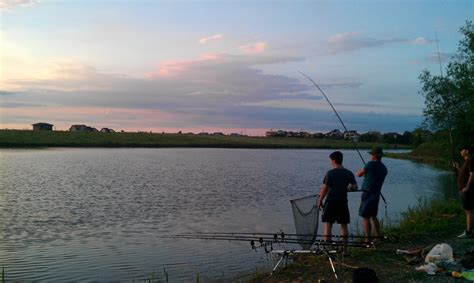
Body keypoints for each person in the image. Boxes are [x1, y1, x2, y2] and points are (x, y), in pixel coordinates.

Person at [318, 151, 358, 241]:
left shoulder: (330, 173)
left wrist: (320, 200)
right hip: (343, 202)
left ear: (334, 160)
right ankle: (345, 250)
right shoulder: (349, 173)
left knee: (328, 225)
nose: (331, 162)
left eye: (331, 160)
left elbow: (324, 189)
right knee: (344, 226)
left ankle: (328, 249)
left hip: (330, 202)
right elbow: (355, 187)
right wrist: (347, 189)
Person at [356, 147, 387, 242]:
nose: (370, 156)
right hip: (376, 194)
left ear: (373, 156)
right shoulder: (383, 167)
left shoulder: (370, 165)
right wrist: (368, 174)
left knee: (365, 217)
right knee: (373, 216)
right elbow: (374, 176)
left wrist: (365, 172)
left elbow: (358, 174)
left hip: (367, 194)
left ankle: (367, 241)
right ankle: (378, 237)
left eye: (371, 155)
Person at [454, 145, 474, 239]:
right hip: (463, 189)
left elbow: (472, 174)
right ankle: (469, 231)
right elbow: (464, 174)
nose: (460, 152)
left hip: (466, 190)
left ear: (467, 151)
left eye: (462, 150)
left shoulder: (470, 160)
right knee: (468, 211)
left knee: (468, 211)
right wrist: (458, 167)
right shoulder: (467, 161)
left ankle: (469, 232)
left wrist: (467, 187)